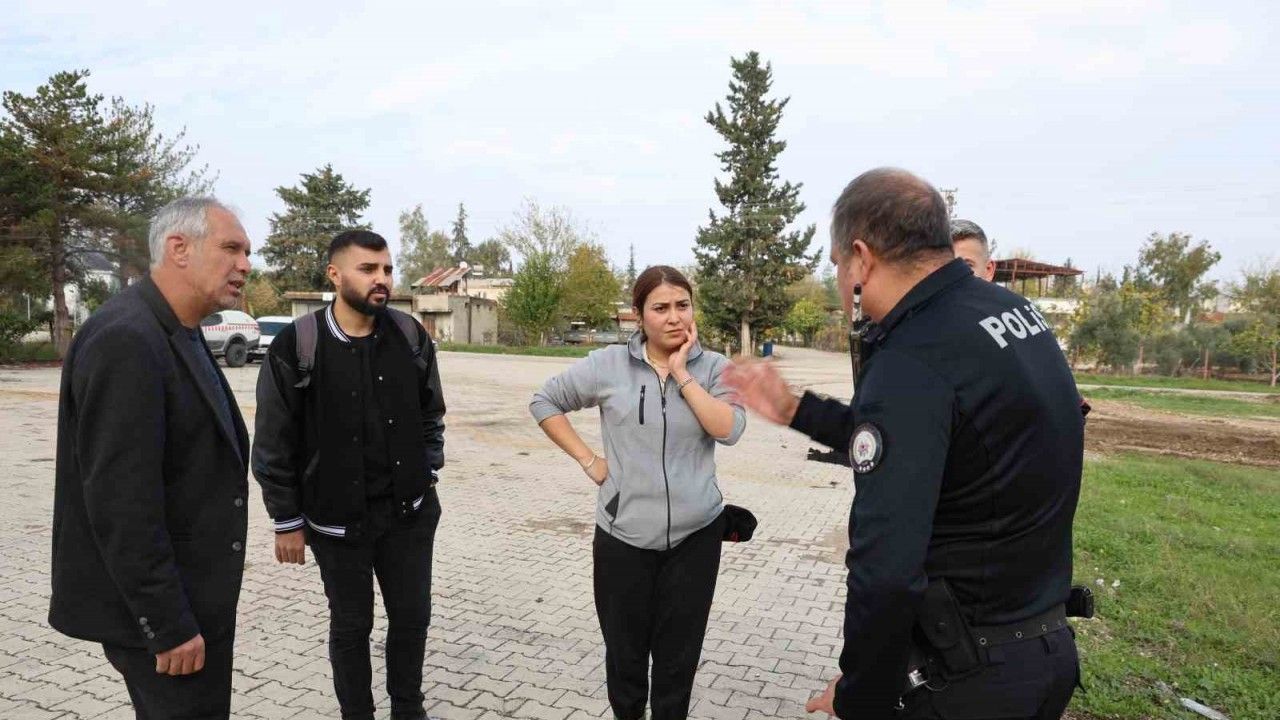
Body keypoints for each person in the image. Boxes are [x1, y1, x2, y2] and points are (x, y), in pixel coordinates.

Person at [724, 168, 1084, 720]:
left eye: (837, 264)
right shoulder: (1007, 313)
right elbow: (924, 441)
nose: (840, 279)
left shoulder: (912, 356)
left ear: (861, 259)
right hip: (1040, 651)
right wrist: (796, 410)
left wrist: (861, 695)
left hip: (967, 680)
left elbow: (886, 570)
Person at [49, 196, 252, 719]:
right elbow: (122, 504)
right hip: (168, 621)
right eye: (231, 248)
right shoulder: (128, 338)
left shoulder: (178, 330)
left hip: (195, 603)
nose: (245, 265)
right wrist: (167, 625)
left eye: (247, 253)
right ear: (178, 248)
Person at [529, 265, 747, 720]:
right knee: (625, 660)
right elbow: (544, 401)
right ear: (638, 314)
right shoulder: (608, 365)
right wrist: (589, 460)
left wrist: (683, 374)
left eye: (683, 305)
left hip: (695, 538)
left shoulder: (715, 368)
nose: (674, 317)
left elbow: (728, 429)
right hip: (622, 537)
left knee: (677, 664)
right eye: (660, 308)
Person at [252, 230, 446, 720]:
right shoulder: (299, 344)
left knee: (411, 619)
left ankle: (409, 709)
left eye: (387, 269)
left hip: (408, 515)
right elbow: (273, 440)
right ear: (335, 275)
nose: (382, 279)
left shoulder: (409, 335)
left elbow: (431, 412)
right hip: (336, 521)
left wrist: (428, 469)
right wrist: (286, 520)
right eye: (368, 269)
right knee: (351, 625)